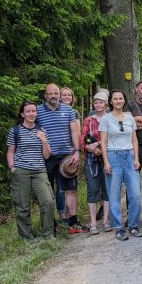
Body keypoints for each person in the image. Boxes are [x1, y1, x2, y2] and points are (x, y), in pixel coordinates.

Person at [37, 84, 87, 233]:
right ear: (45, 95)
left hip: (67, 157)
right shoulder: (38, 111)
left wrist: (77, 151)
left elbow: (74, 131)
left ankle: (73, 222)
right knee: (48, 193)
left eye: (56, 93)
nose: (53, 96)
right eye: (50, 93)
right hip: (46, 157)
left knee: (71, 189)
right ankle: (51, 225)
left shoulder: (68, 110)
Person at [6, 100, 55, 239]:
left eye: (33, 111)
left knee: (48, 202)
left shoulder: (41, 130)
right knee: (22, 206)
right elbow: (10, 151)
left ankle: (48, 235)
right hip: (21, 171)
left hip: (39, 170)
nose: (31, 113)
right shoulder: (15, 131)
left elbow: (47, 155)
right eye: (28, 111)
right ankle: (27, 238)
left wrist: (43, 140)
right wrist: (12, 168)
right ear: (22, 113)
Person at [99, 90, 142, 241]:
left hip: (130, 156)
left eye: (120, 98)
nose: (118, 101)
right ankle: (118, 227)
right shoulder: (106, 119)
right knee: (114, 195)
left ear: (124, 101)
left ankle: (133, 225)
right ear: (111, 102)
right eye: (115, 99)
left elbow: (135, 140)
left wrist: (136, 158)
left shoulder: (130, 117)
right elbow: (103, 142)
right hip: (113, 156)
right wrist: (106, 162)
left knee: (135, 194)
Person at [81, 92, 110, 235]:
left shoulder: (110, 118)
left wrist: (99, 145)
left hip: (107, 157)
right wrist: (89, 147)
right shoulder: (89, 120)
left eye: (101, 102)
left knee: (107, 188)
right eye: (96, 102)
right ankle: (93, 223)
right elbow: (83, 137)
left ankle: (106, 221)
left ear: (106, 104)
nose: (98, 105)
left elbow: (112, 136)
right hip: (92, 158)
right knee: (93, 189)